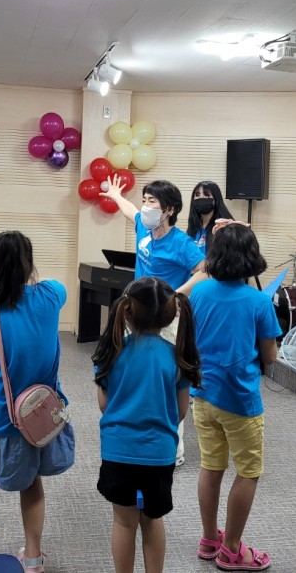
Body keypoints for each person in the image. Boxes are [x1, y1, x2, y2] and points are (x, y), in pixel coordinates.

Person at [0, 231, 75, 572]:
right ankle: (33, 557)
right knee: (32, 481)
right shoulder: (51, 296)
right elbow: (51, 281)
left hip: (1, 418)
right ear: (29, 264)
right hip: (41, 415)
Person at [92, 276, 201, 573]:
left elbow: (104, 406)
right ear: (172, 314)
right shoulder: (176, 356)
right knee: (153, 520)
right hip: (159, 453)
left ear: (126, 312)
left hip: (118, 451)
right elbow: (180, 412)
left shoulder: (110, 352)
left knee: (123, 522)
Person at [189, 223, 280, 571]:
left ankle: (209, 538)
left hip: (203, 395)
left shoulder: (199, 293)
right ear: (251, 257)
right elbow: (269, 357)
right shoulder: (259, 301)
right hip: (241, 402)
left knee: (211, 466)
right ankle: (231, 549)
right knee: (248, 471)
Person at [100, 176, 205, 466]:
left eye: (152, 202)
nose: (145, 207)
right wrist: (116, 195)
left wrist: (174, 295)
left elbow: (203, 271)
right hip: (134, 312)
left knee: (169, 377)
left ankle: (175, 449)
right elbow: (126, 209)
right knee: (131, 368)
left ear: (169, 210)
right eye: (144, 201)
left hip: (168, 316)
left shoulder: (182, 243)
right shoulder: (142, 228)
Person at [186, 181, 233, 253]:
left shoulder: (223, 227)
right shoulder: (193, 228)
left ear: (216, 199)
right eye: (197, 195)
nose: (201, 198)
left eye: (206, 194)